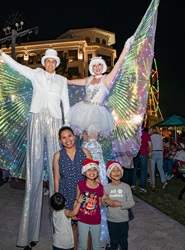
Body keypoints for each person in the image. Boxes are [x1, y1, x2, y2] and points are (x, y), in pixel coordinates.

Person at [0, 47, 70, 249]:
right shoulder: (35, 74)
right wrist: (1, 55)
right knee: (34, 175)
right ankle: (28, 234)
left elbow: (66, 104)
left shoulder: (62, 81)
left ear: (56, 64)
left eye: (53, 62)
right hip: (37, 120)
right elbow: (17, 66)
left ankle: (61, 233)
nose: (50, 64)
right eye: (48, 61)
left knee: (57, 174)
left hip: (56, 123)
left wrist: (67, 129)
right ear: (44, 62)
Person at [67, 37, 131, 247]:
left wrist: (126, 47)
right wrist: (53, 79)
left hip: (96, 113)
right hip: (84, 110)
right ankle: (86, 180)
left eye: (99, 65)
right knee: (84, 143)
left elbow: (119, 65)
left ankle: (94, 176)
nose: (95, 67)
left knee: (91, 145)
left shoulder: (105, 79)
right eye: (93, 64)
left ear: (102, 67)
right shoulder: (87, 80)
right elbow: (68, 81)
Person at [53, 126, 92, 249]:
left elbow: (92, 173)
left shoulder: (84, 152)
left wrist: (97, 193)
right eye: (63, 138)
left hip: (84, 194)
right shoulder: (58, 156)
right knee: (72, 226)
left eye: (69, 136)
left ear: (74, 136)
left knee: (86, 226)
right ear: (60, 141)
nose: (67, 139)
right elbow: (56, 178)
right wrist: (57, 199)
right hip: (66, 194)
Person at [103, 161, 135, 250]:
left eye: (118, 170)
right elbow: (102, 203)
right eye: (113, 170)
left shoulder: (126, 187)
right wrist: (106, 201)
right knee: (113, 241)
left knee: (123, 240)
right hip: (111, 220)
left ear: (121, 172)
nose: (116, 172)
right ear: (109, 173)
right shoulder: (106, 188)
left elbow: (131, 203)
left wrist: (120, 204)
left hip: (123, 220)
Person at [76, 158, 104, 250]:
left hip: (96, 221)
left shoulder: (100, 187)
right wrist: (74, 212)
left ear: (97, 172)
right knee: (82, 245)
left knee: (96, 245)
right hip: (82, 219)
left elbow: (100, 202)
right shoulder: (80, 184)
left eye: (94, 169)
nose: (92, 172)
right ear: (84, 172)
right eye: (89, 170)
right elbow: (77, 199)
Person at [132, 127, 152, 193]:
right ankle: (142, 187)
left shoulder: (134, 134)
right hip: (144, 153)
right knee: (143, 170)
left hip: (136, 154)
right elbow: (150, 144)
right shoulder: (146, 134)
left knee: (134, 169)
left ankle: (133, 185)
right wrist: (150, 152)